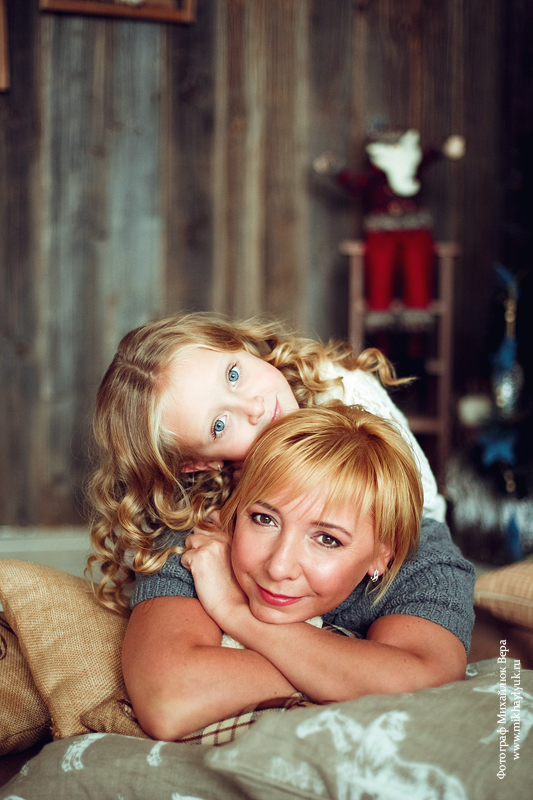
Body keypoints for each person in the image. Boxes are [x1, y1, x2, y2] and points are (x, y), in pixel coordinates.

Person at [121, 404, 475, 741]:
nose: (278, 567)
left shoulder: (425, 561)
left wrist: (234, 611)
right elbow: (167, 700)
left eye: (327, 539)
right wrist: (354, 674)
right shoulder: (201, 535)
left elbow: (430, 686)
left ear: (384, 553)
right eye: (264, 519)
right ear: (235, 508)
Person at [88, 312, 446, 614]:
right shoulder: (203, 504)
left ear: (239, 346)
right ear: (198, 464)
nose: (254, 406)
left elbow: (420, 502)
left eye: (233, 375)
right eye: (219, 425)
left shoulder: (340, 388)